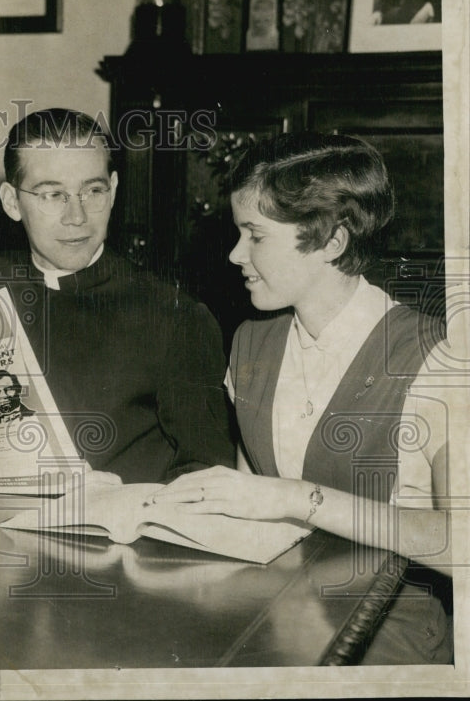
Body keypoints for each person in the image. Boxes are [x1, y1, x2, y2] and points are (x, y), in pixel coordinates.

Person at [148, 132, 455, 663]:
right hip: (269, 614)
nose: (234, 253)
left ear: (332, 241)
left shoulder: (438, 358)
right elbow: (251, 513)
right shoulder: (251, 341)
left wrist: (298, 498)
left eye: (255, 236)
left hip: (385, 635)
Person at [0, 108, 235, 483]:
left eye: (93, 191)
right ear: (10, 202)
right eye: (52, 195)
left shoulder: (173, 315)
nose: (77, 216)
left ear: (114, 190)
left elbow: (208, 475)